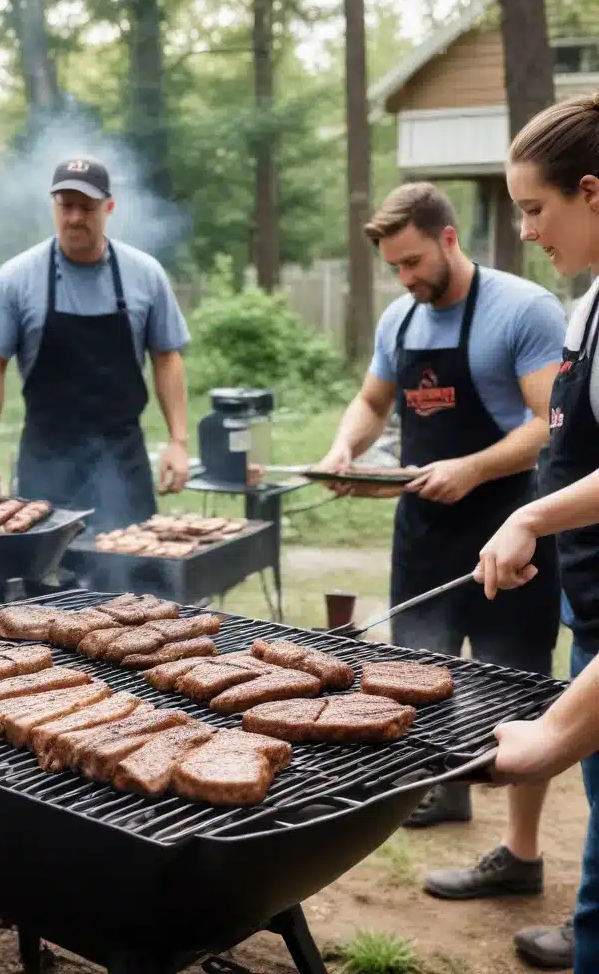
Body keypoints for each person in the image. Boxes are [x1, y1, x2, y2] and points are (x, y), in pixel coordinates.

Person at [316, 183, 566, 919]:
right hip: (423, 529)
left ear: (450, 239)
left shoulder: (521, 309)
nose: (406, 279)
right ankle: (446, 786)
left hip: (508, 523)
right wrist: (343, 447)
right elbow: (371, 402)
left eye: (414, 261)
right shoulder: (401, 317)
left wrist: (475, 467)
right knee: (418, 666)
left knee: (514, 683)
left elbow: (547, 422)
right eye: (394, 266)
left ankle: (520, 856)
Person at [473, 91, 599, 974]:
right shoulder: (589, 307)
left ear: (591, 192)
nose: (525, 230)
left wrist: (527, 512)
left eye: (533, 208)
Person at [0, 156, 191, 531]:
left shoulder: (145, 275)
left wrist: (178, 442)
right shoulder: (16, 278)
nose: (74, 217)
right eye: (65, 205)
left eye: (86, 207)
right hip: (47, 463)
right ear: (53, 207)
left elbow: (167, 359)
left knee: (137, 579)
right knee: (46, 581)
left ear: (109, 207)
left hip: (123, 462)